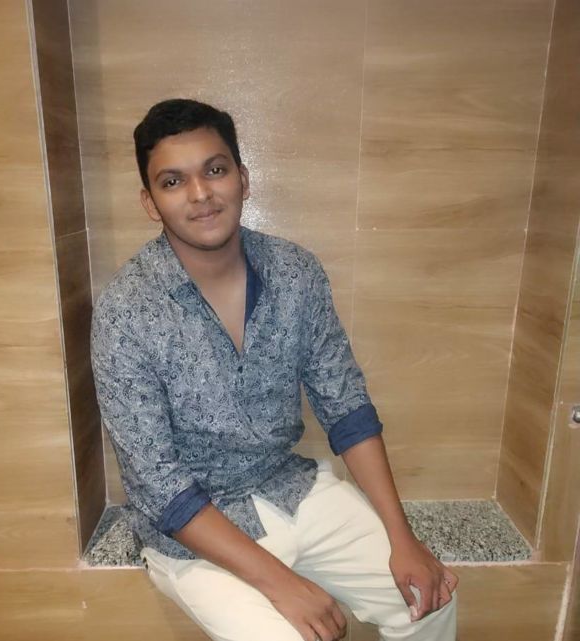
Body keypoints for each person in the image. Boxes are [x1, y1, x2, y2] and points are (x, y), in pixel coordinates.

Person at [90, 98, 458, 641]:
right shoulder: (125, 311)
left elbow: (346, 408)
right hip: (195, 535)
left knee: (429, 599)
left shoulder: (295, 272)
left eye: (215, 170)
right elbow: (158, 484)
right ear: (150, 202)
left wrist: (403, 538)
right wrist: (281, 584)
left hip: (291, 488)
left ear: (243, 177)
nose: (200, 194)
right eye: (173, 181)